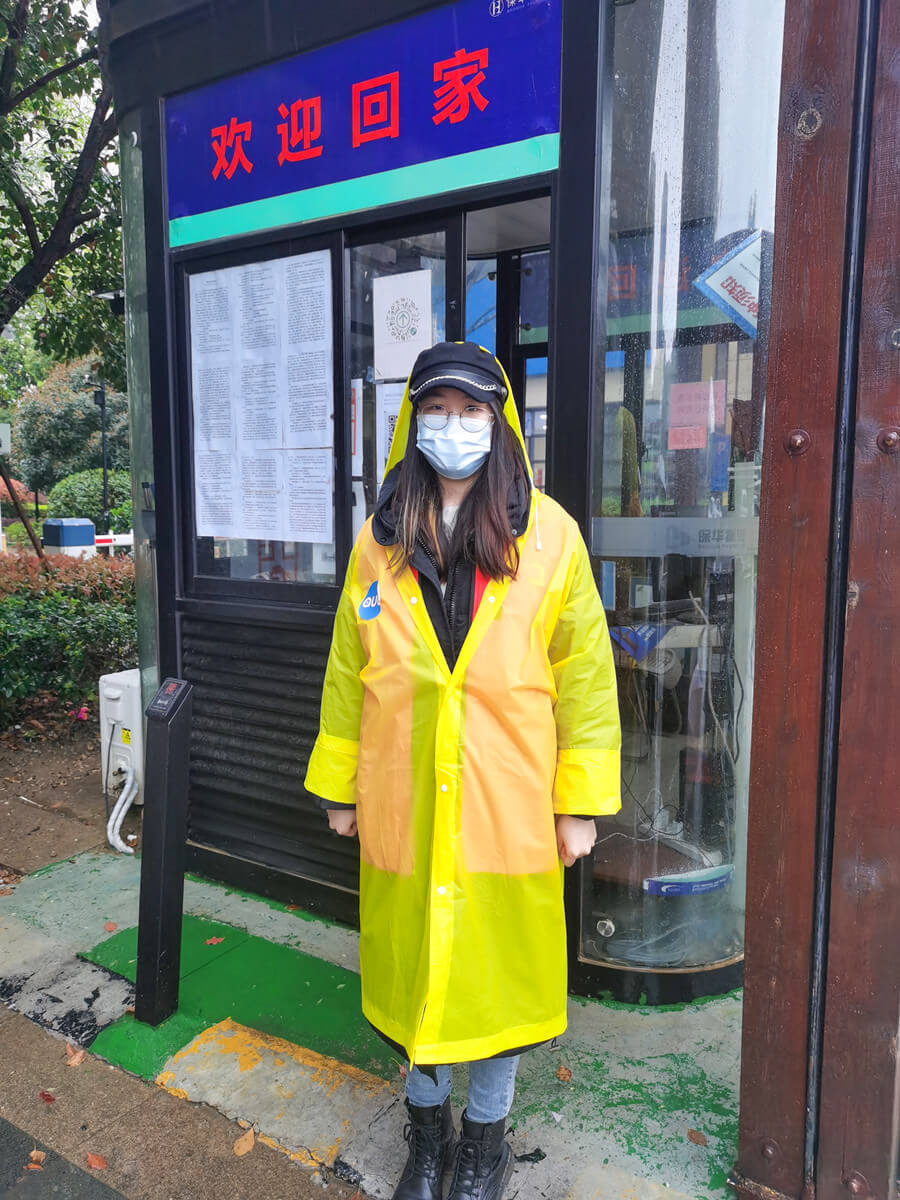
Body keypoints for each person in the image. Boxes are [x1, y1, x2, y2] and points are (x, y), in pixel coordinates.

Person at [305, 342, 621, 1200]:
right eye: (437, 409)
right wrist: (339, 783)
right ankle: (427, 1137)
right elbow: (348, 668)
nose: (454, 426)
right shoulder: (380, 541)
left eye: (472, 409)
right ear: (413, 421)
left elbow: (586, 676)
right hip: (403, 799)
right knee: (416, 975)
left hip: (507, 803)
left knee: (498, 987)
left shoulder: (549, 534)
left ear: (499, 420)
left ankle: (485, 1143)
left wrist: (580, 803)